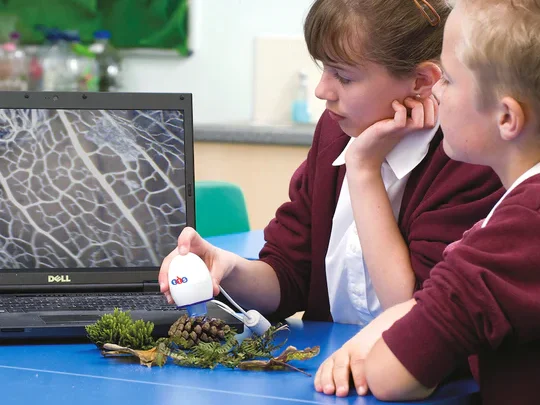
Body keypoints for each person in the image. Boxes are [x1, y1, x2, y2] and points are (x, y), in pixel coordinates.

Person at [160, 0, 502, 370]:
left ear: (422, 82)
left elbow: (415, 315)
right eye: (324, 69)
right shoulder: (337, 130)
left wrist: (363, 169)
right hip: (331, 373)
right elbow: (289, 273)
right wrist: (227, 269)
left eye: (344, 76)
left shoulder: (466, 159)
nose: (323, 90)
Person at [316, 0, 540, 403]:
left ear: (507, 118)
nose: (435, 90)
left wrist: (390, 331)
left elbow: (391, 376)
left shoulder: (516, 232)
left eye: (449, 80)